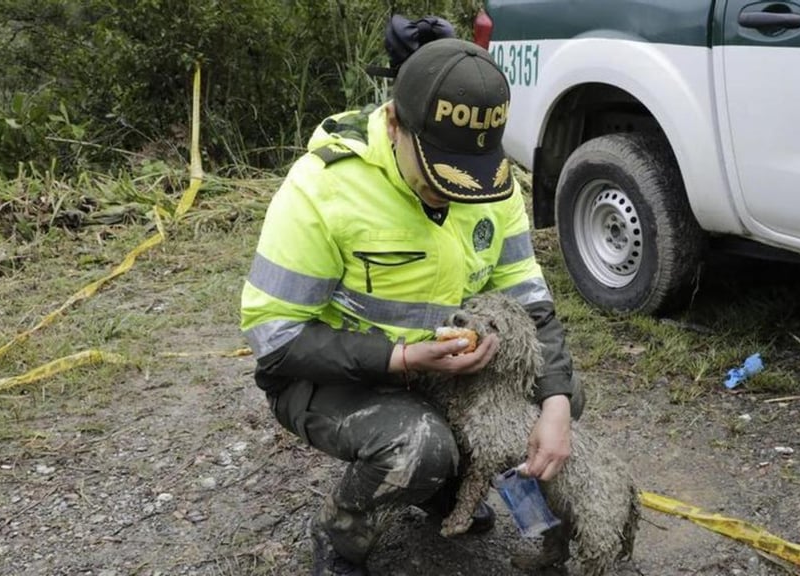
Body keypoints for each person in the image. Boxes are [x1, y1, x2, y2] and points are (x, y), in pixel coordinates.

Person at [239, 35, 583, 576]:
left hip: (441, 373)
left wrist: (557, 401)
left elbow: (529, 301)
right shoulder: (323, 187)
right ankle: (342, 532)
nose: (452, 192)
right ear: (395, 122)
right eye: (436, 171)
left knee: (557, 397)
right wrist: (400, 358)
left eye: (467, 171)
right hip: (331, 375)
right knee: (419, 447)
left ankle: (440, 491)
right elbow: (275, 338)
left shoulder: (490, 185)